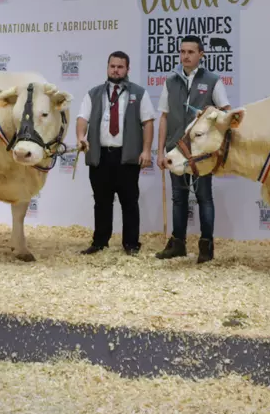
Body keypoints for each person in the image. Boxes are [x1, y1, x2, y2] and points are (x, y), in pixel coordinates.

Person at [155, 35, 231, 263]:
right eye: (182, 52)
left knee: (204, 198)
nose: (185, 56)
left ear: (201, 55)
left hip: (200, 154)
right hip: (176, 151)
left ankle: (206, 247)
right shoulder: (170, 81)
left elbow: (226, 113)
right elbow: (164, 118)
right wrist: (159, 151)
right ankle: (177, 244)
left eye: (190, 52)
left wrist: (217, 145)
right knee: (178, 198)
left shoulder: (213, 80)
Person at [76, 51, 156, 255]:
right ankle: (100, 242)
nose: (115, 70)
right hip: (100, 156)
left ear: (127, 69)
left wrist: (147, 150)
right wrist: (80, 137)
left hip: (127, 156)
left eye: (120, 67)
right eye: (112, 66)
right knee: (101, 201)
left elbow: (147, 123)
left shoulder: (139, 93)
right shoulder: (93, 93)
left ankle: (131, 244)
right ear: (107, 67)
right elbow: (82, 118)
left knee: (129, 201)